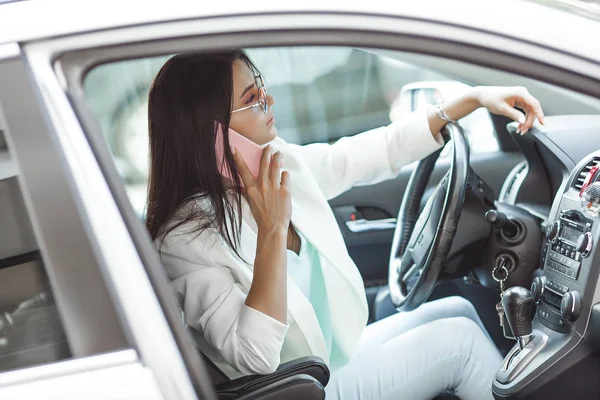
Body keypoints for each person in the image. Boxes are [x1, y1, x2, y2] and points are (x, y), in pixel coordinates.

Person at [146, 50, 545, 400]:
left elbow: (357, 156)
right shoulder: (184, 239)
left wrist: (470, 101)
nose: (269, 100)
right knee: (460, 345)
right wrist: (271, 230)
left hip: (330, 361)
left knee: (457, 309)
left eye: (261, 87)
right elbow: (254, 356)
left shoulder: (276, 164)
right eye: (253, 99)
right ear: (212, 132)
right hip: (295, 389)